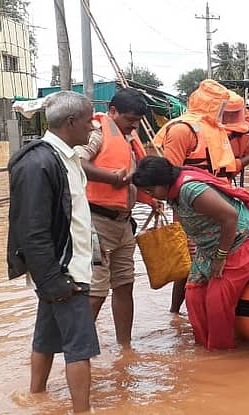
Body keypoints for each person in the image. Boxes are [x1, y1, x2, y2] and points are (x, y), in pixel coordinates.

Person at [132, 156, 249, 350]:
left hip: (242, 239)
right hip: (209, 247)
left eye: (151, 190)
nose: (151, 195)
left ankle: (221, 351)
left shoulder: (191, 190)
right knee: (193, 296)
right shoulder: (172, 191)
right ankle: (204, 350)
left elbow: (230, 217)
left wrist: (221, 257)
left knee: (217, 297)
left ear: (164, 182)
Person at [7, 91, 99, 413]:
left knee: (46, 336)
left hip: (63, 270)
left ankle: (35, 398)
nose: (93, 126)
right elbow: (31, 229)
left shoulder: (66, 158)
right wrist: (53, 280)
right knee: (80, 348)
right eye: (89, 121)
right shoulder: (40, 162)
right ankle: (82, 410)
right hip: (63, 273)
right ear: (71, 122)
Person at [75, 88, 153, 346]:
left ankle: (125, 348)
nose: (134, 124)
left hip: (123, 223)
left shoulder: (129, 137)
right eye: (130, 118)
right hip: (96, 223)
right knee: (96, 291)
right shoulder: (97, 133)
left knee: (124, 284)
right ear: (112, 112)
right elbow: (77, 162)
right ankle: (79, 352)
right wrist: (112, 178)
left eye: (138, 120)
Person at [153, 79, 234, 314]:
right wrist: (180, 220)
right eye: (220, 106)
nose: (223, 112)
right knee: (188, 264)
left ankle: (202, 312)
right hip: (191, 208)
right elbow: (168, 177)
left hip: (216, 205)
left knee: (215, 260)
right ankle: (176, 315)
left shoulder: (215, 130)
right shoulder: (182, 130)